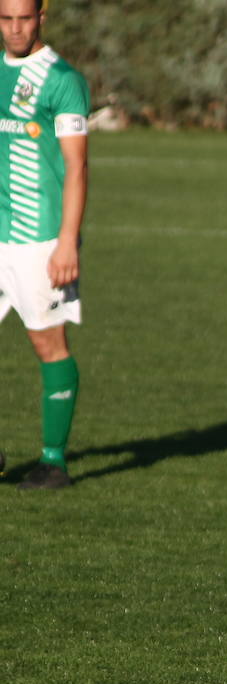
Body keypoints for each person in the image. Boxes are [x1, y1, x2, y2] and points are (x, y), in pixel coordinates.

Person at [0, 0, 89, 489]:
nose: (15, 28)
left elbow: (77, 166)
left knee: (47, 343)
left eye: (23, 18)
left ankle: (53, 462)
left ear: (41, 19)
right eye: (5, 18)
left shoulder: (62, 79)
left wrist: (67, 243)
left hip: (40, 240)